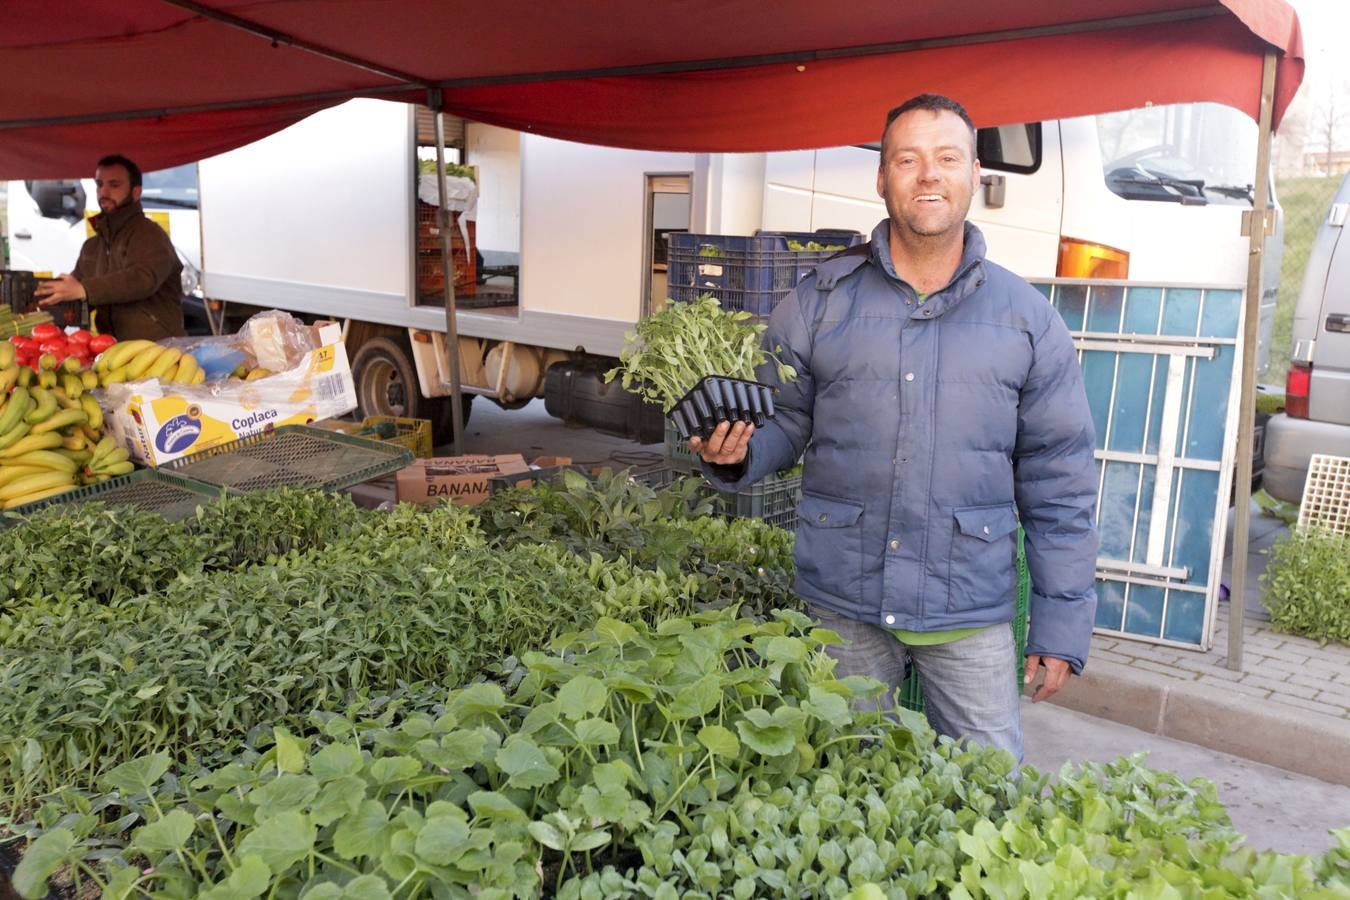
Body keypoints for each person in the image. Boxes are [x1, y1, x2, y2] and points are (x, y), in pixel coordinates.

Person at [691, 94, 1098, 763]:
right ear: (881, 178)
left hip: (965, 607)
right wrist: (736, 453)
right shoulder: (819, 302)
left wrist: (1060, 624)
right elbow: (784, 418)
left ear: (975, 175)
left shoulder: (1028, 319)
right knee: (842, 780)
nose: (928, 174)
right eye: (907, 160)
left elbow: (1061, 483)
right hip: (843, 598)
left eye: (947, 158)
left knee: (987, 789)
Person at [35, 154, 185, 340]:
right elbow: (75, 291)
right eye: (99, 184)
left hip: (159, 347)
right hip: (110, 348)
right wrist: (43, 300)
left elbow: (142, 279)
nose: (104, 192)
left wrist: (84, 289)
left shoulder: (150, 234)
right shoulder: (92, 247)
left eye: (114, 185)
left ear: (136, 192)